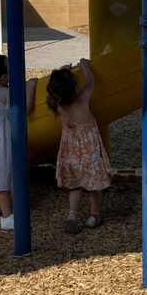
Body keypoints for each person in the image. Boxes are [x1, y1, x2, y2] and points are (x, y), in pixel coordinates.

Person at [46, 57, 111, 234]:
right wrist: (84, 66)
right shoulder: (82, 99)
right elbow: (91, 82)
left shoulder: (57, 105)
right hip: (88, 152)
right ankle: (93, 217)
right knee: (93, 185)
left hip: (71, 152)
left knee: (75, 185)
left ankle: (72, 216)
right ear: (73, 88)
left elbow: (59, 90)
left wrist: (64, 69)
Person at [0, 53, 37, 231]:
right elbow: (25, 109)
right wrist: (31, 87)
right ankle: (7, 217)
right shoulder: (6, 92)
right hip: (1, 138)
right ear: (3, 77)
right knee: (3, 176)